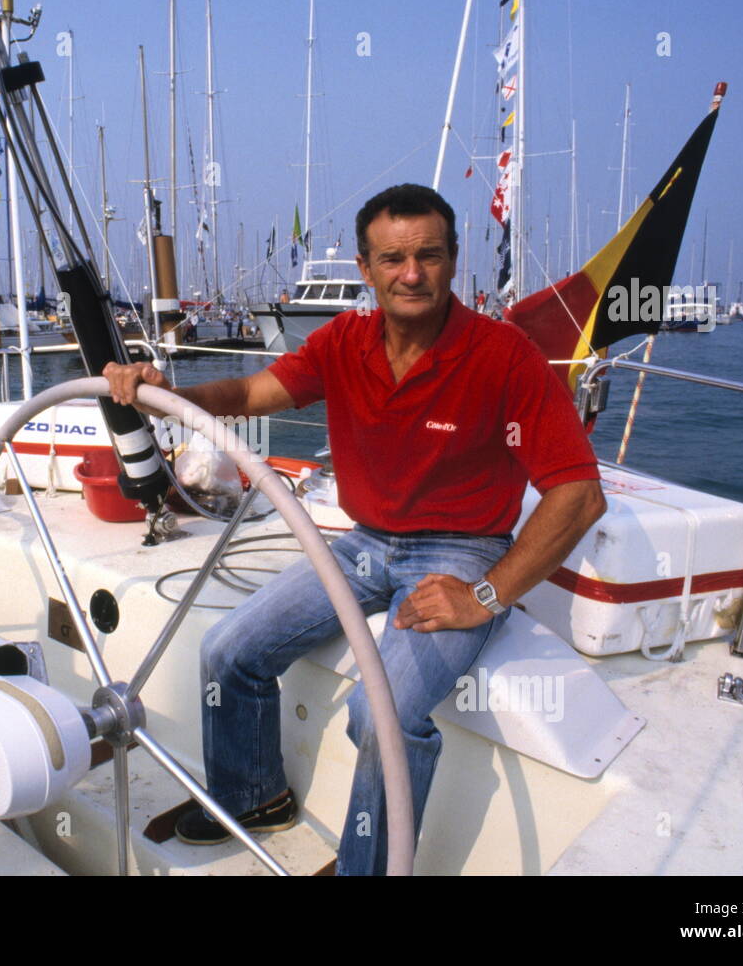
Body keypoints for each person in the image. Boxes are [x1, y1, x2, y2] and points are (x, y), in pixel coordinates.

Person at [104, 183, 606, 875]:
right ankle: (254, 798)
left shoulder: (504, 357)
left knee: (384, 719)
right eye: (392, 258)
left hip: (462, 552)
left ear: (455, 260)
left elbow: (577, 495)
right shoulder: (343, 341)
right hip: (366, 540)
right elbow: (252, 394)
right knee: (227, 650)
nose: (411, 274)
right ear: (366, 270)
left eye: (428, 255)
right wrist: (168, 392)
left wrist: (484, 596)